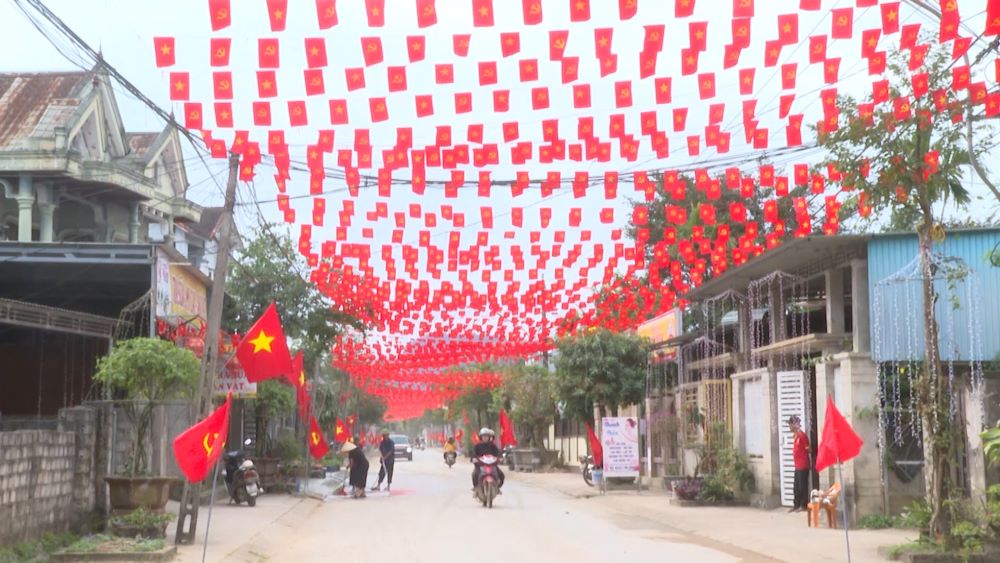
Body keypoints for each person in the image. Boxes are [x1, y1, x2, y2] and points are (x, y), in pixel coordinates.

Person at [788, 415, 811, 512]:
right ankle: (796, 504)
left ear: (795, 425)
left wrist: (805, 451)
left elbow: (808, 449)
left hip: (803, 465)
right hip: (797, 465)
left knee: (803, 487)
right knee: (796, 487)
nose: (789, 427)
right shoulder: (796, 436)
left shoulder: (802, 435)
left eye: (790, 425)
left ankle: (804, 505)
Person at [471, 427, 504, 492]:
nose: (485, 437)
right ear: (481, 437)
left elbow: (498, 452)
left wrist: (500, 457)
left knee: (501, 474)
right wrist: (474, 458)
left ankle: (498, 487)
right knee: (474, 474)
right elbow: (473, 453)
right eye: (483, 436)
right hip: (480, 466)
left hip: (492, 465)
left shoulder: (492, 446)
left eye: (486, 436)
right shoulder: (477, 446)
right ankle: (476, 487)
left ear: (489, 437)